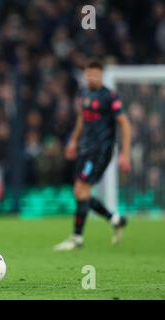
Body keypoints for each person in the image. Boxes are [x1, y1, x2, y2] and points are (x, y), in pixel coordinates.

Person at [54, 60, 131, 251]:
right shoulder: (84, 92)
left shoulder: (109, 96)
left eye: (96, 74)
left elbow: (125, 124)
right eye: (89, 74)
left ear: (102, 75)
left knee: (81, 191)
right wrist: (73, 140)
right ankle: (116, 219)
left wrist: (125, 154)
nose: (92, 77)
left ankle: (77, 238)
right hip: (85, 148)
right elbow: (82, 118)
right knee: (80, 192)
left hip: (100, 151)